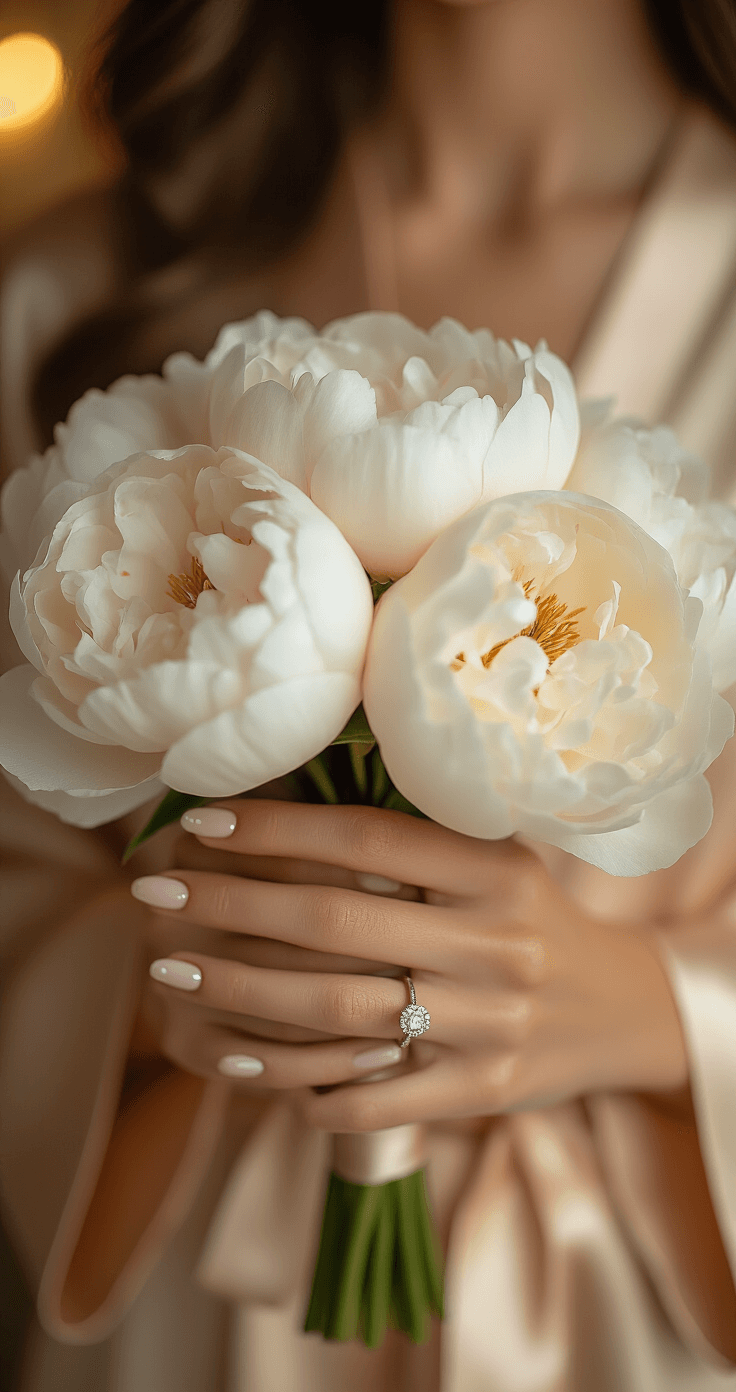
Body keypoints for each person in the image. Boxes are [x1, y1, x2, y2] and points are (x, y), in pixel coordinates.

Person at [1, 0, 736, 1388]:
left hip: (627, 1319)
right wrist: (155, 1000)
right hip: (204, 1304)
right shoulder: (76, 288)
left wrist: (654, 1012)